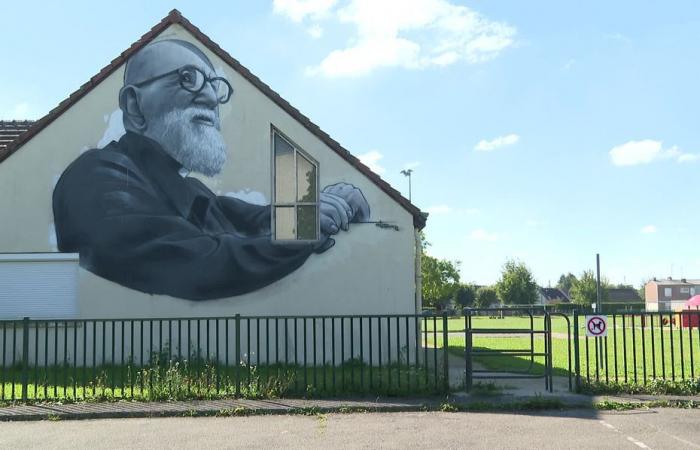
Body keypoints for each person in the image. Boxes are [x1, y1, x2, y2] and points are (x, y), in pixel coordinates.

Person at [52, 39, 369, 300]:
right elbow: (193, 263)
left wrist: (314, 209)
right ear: (135, 105)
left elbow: (250, 220)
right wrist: (302, 233)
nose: (209, 97)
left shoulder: (190, 192)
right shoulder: (97, 177)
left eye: (215, 85)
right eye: (187, 78)